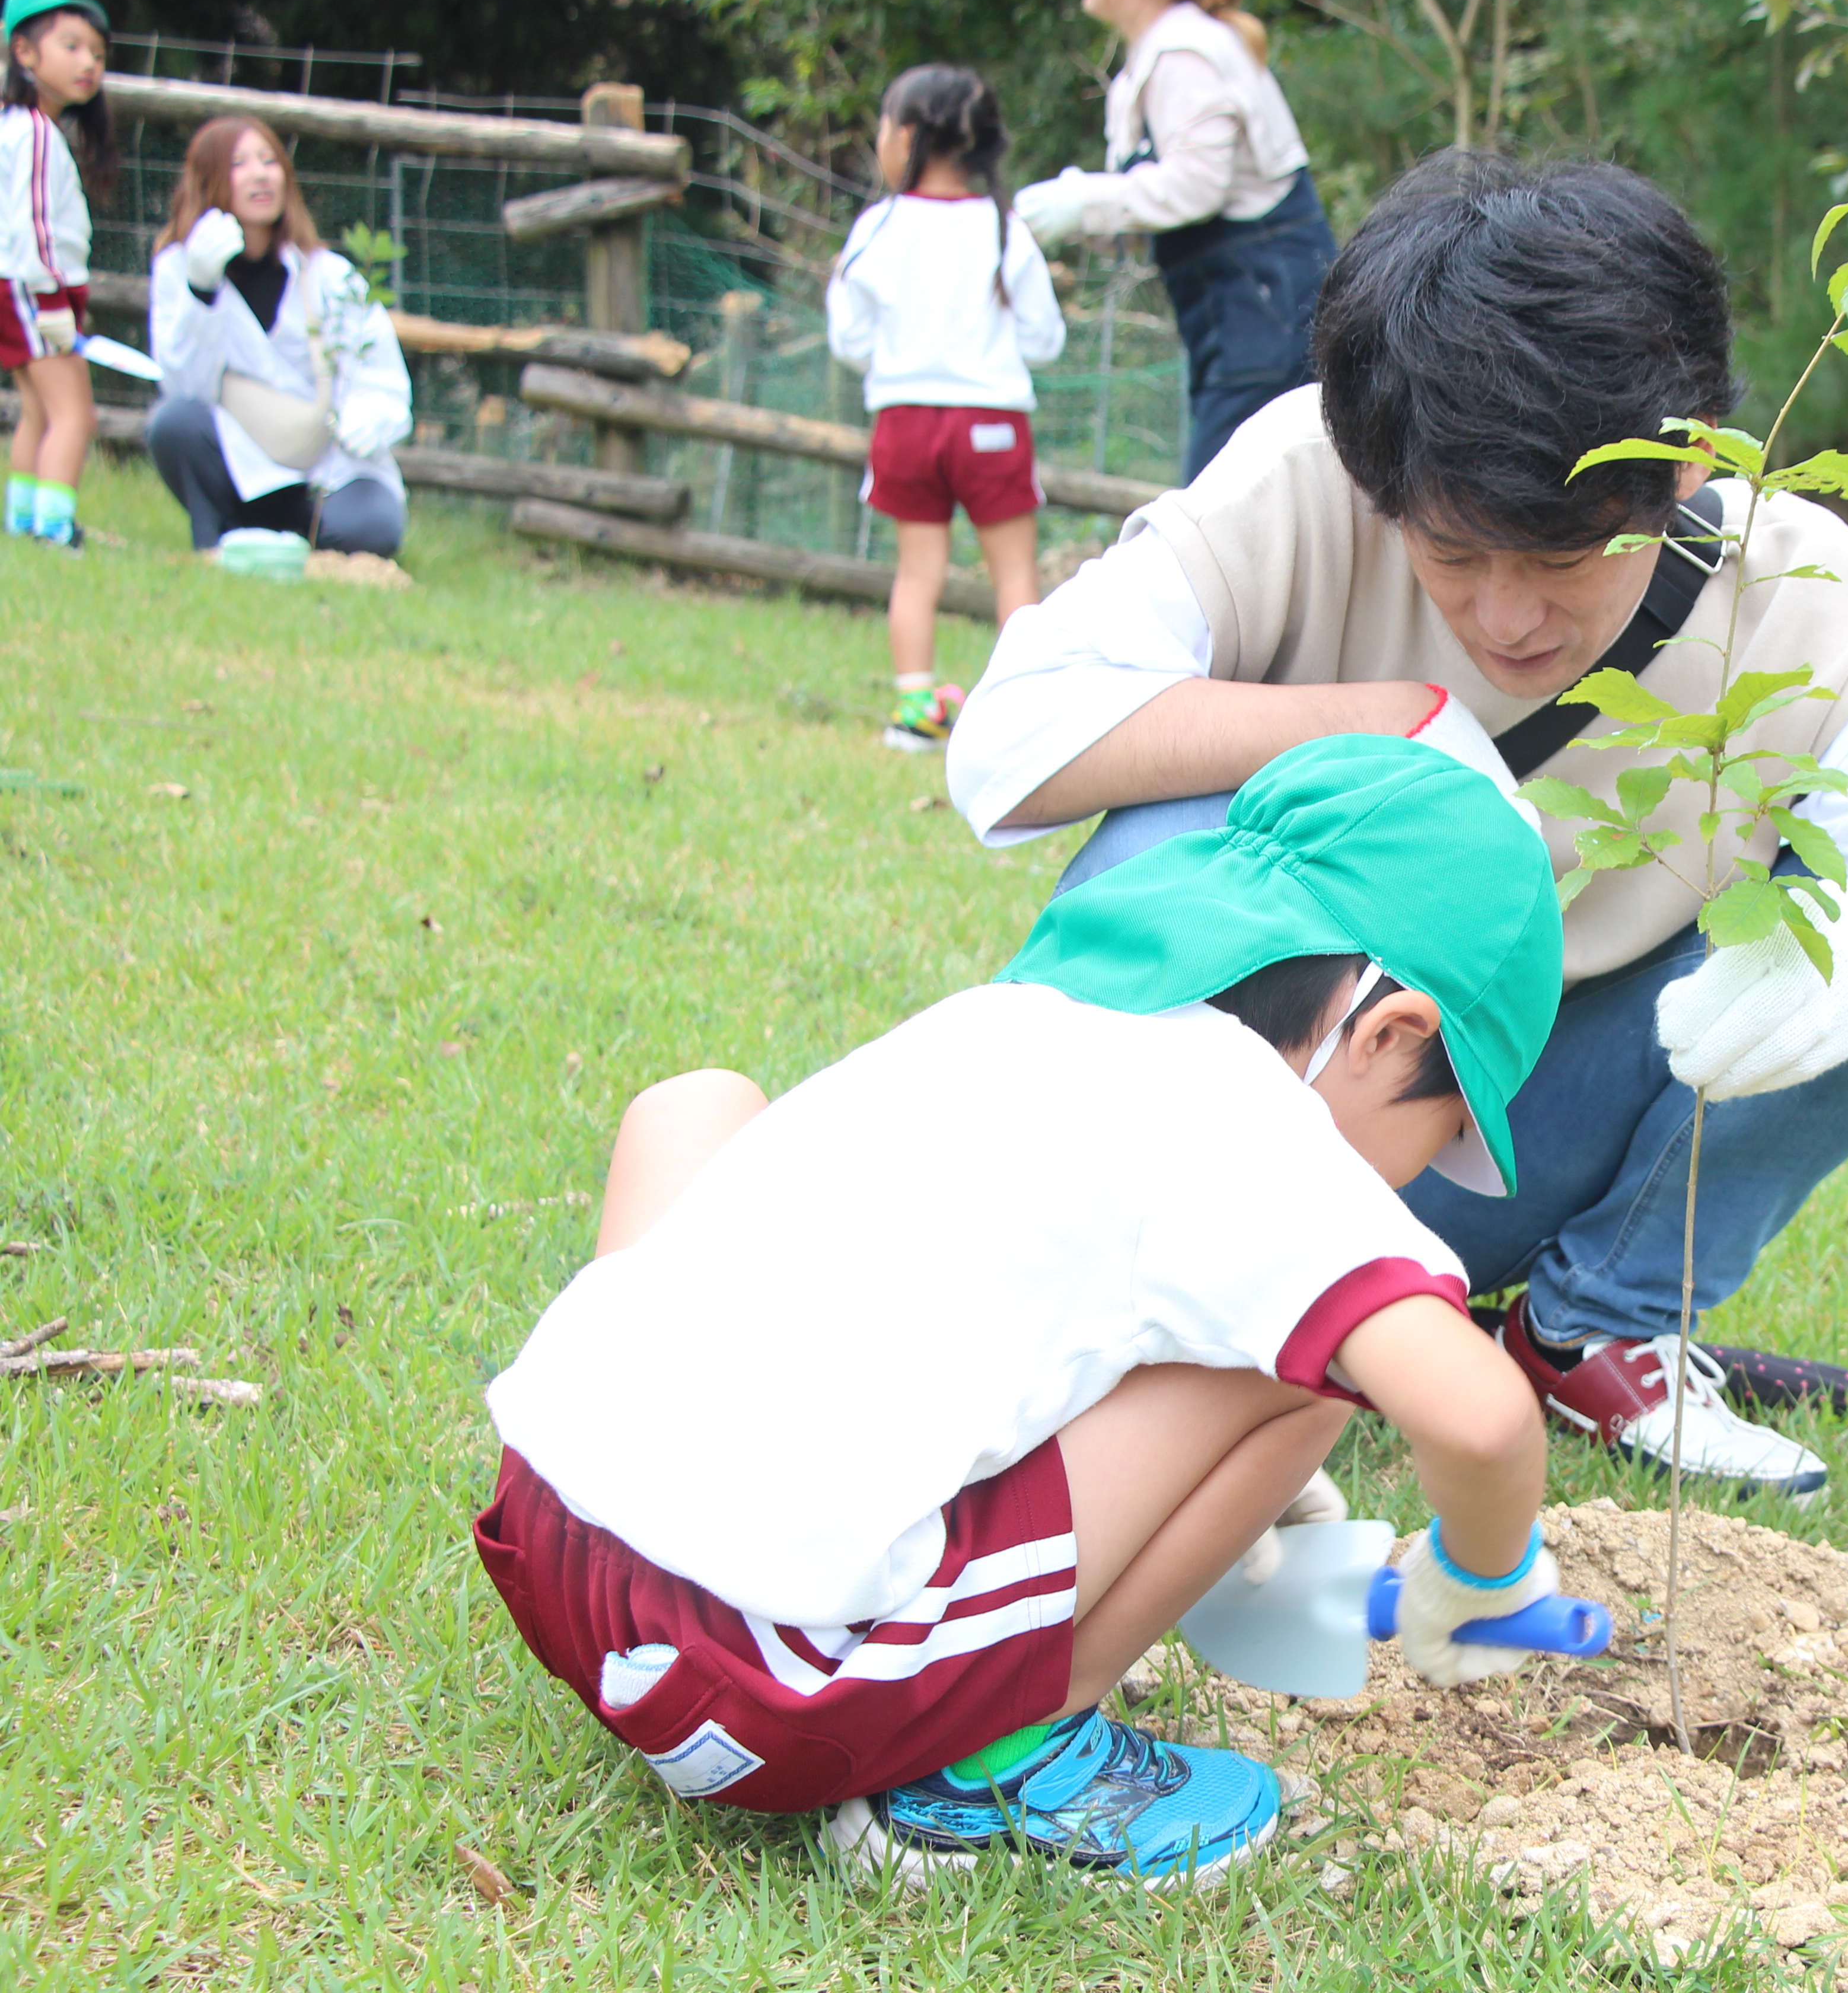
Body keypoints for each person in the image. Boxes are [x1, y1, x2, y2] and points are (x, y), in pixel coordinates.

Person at [947, 154, 1848, 1500]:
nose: (1506, 618)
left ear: (1685, 461)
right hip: (1233, 1116)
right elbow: (1005, 741)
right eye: (1452, 555)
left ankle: (1596, 1327)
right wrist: (1390, 723)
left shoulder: (1827, 616)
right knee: (1188, 800)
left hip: (1481, 1136)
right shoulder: (1314, 469)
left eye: (1564, 561)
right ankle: (1115, 1262)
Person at [475, 735, 1570, 1886]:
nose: (1410, 1181)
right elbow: (1481, 1420)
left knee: (705, 1106)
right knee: (1301, 1375)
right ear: (1394, 1035)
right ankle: (997, 1769)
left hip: (549, 1538)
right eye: (1442, 1137)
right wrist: (1484, 1582)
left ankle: (699, 1507)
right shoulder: (1261, 1131)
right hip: (753, 1680)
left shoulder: (1033, 1018)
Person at [1014, 0, 1337, 483]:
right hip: (1241, 315)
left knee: (1223, 511)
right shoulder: (1154, 59)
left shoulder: (1186, 51)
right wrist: (1089, 215)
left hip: (1266, 310)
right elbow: (1164, 207)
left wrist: (1088, 202)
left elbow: (1196, 186)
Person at [829, 64, 1069, 754]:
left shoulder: (878, 227)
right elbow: (1045, 339)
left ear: (907, 136)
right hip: (991, 420)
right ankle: (1027, 716)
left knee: (917, 571)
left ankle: (916, 712)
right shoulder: (1004, 229)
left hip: (904, 421)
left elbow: (849, 339)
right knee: (1014, 573)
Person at [144, 117, 410, 559]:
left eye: (270, 161)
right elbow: (184, 388)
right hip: (241, 454)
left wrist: (371, 417)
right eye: (240, 163)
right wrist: (201, 293)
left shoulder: (330, 275)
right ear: (209, 179)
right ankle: (225, 535)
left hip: (327, 467)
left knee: (374, 529)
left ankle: (293, 539)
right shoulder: (178, 269)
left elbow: (382, 379)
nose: (261, 174)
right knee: (171, 423)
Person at [1, 0, 108, 552]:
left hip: (17, 286)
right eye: (70, 47)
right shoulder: (36, 133)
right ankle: (55, 529)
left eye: (96, 52)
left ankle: (22, 519)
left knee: (39, 409)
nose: (88, 63)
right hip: (35, 289)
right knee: (75, 414)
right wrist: (51, 304)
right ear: (24, 52)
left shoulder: (15, 128)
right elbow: (35, 223)